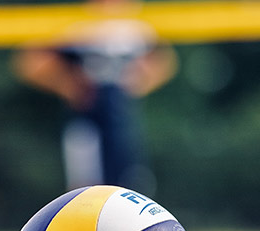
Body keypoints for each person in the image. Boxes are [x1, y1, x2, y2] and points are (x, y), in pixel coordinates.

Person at [13, 0, 177, 194]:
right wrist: (68, 85)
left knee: (130, 181)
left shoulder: (135, 24)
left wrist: (135, 85)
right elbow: (30, 62)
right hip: (86, 116)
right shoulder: (77, 23)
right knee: (85, 185)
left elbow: (165, 62)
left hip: (122, 118)